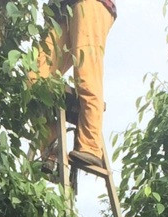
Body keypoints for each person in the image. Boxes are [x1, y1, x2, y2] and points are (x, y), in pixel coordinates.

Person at [32, 0, 116, 170]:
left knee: (87, 73)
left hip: (90, 3)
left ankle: (90, 146)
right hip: (61, 12)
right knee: (34, 76)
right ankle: (51, 145)